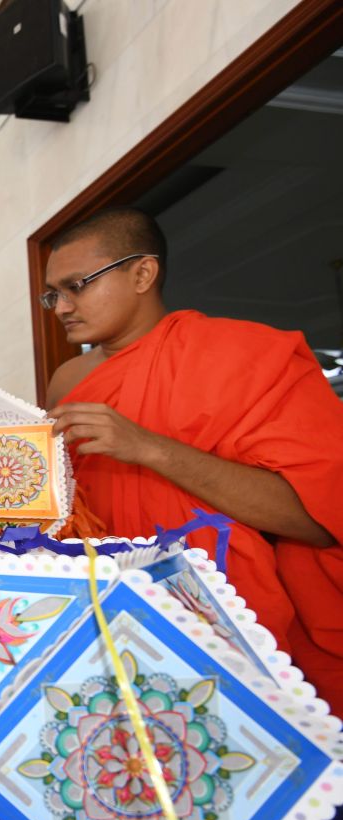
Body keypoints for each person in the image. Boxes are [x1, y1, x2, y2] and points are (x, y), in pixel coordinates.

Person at [43, 206, 343, 711]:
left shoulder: (247, 356)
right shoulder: (67, 382)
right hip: (104, 612)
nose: (61, 307)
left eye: (78, 285)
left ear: (142, 273)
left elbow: (317, 517)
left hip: (223, 614)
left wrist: (148, 448)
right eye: (53, 293)